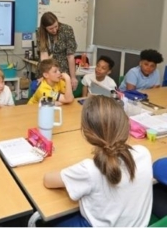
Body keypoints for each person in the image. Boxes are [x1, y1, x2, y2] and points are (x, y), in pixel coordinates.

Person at [43, 95, 153, 227]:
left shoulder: (89, 169)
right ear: (126, 125)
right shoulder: (143, 153)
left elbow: (48, 180)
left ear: (85, 132)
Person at [37, 12, 79, 90]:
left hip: (63, 68)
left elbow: (70, 56)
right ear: (44, 28)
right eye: (50, 29)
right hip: (47, 69)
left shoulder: (67, 30)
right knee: (46, 93)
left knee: (63, 93)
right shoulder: (40, 32)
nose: (54, 30)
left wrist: (73, 77)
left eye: (56, 26)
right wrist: (45, 75)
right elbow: (44, 56)